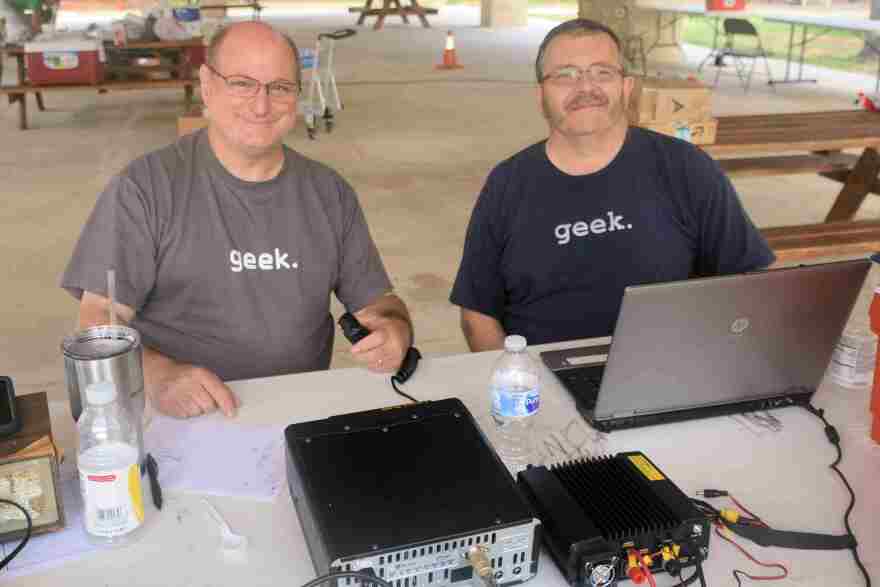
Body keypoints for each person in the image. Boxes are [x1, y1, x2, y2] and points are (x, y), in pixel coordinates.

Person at [62, 22, 413, 419]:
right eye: (243, 83)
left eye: (279, 87)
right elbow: (100, 320)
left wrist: (393, 330)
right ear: (207, 84)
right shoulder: (144, 189)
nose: (261, 106)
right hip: (178, 413)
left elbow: (377, 304)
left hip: (297, 411)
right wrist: (160, 375)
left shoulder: (329, 193)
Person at [450, 18, 774, 352]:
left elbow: (749, 283)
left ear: (626, 87)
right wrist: (519, 387)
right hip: (540, 382)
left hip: (668, 372)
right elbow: (477, 315)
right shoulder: (507, 184)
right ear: (541, 94)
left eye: (602, 72)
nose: (585, 88)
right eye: (565, 75)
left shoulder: (686, 168)